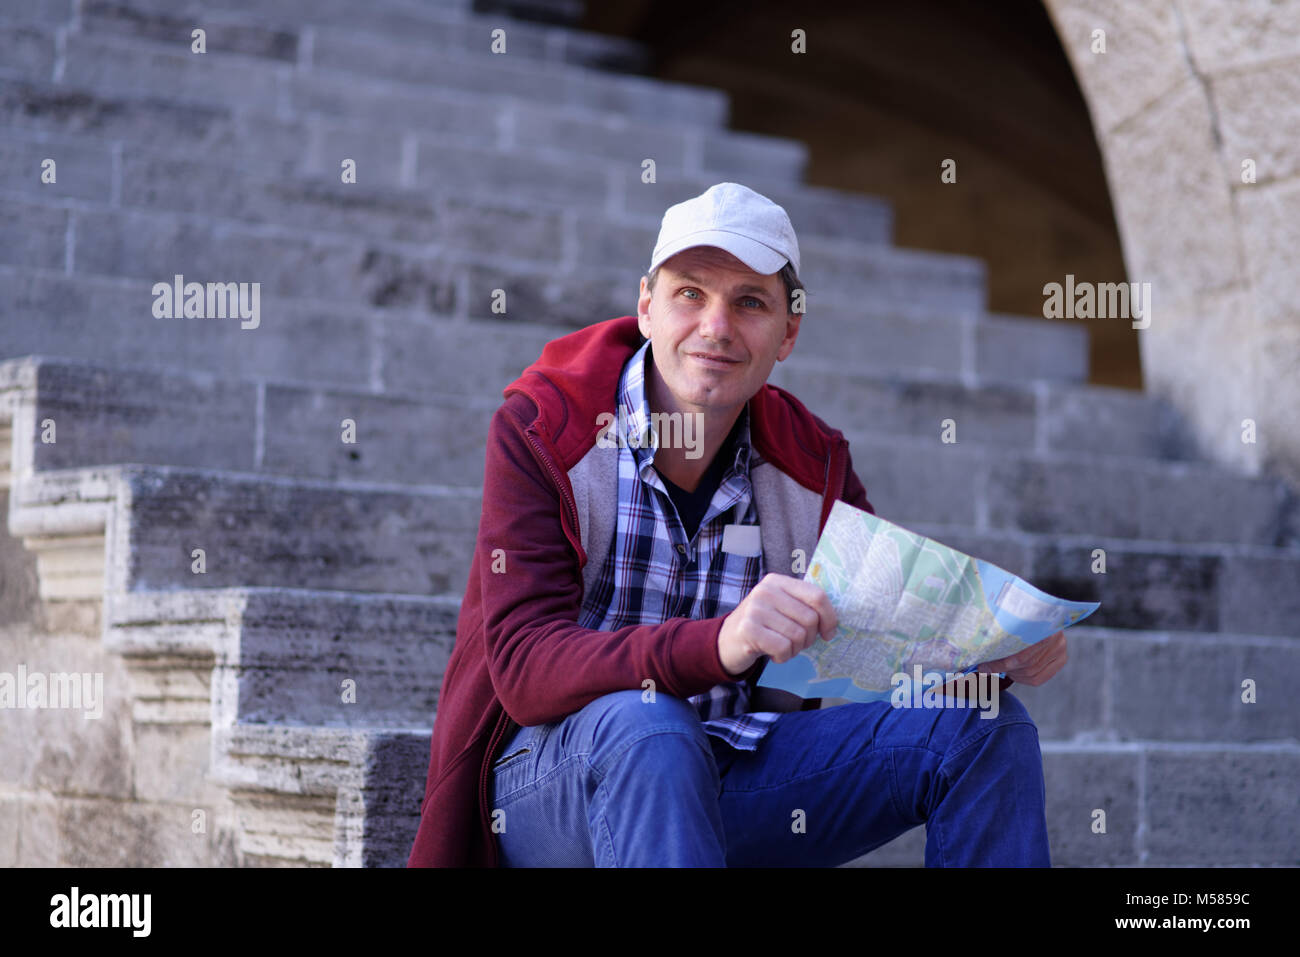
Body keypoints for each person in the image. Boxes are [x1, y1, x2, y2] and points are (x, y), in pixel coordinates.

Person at [406, 182, 1067, 868]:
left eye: (749, 301)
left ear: (789, 332)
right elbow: (523, 664)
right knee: (650, 726)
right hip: (554, 783)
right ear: (646, 308)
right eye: (690, 293)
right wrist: (718, 643)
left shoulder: (814, 462)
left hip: (737, 767)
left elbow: (858, 660)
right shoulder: (546, 427)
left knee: (982, 726)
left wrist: (978, 659)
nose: (716, 327)